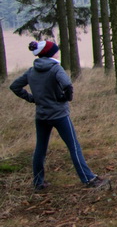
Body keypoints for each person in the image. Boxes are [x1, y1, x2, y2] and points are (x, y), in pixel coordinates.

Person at [9, 40, 110, 191]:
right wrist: (65, 98)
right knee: (74, 146)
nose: (58, 52)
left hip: (41, 116)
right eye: (56, 50)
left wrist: (32, 98)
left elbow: (15, 86)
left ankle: (38, 182)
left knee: (40, 149)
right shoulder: (56, 68)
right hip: (59, 115)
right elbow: (67, 85)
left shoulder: (31, 71)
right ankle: (89, 179)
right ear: (51, 53)